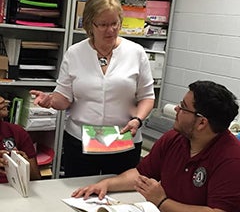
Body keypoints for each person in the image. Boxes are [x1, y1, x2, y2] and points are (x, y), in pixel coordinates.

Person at [30, 0, 155, 177]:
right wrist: (50, 101)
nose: (110, 30)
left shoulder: (135, 53)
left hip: (123, 139)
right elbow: (63, 99)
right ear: (89, 24)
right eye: (103, 25)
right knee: (79, 194)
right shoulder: (75, 53)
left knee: (119, 198)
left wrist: (138, 120)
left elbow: (147, 97)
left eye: (115, 23)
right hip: (81, 141)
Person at [71, 80, 240, 212]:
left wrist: (162, 202)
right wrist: (107, 184)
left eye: (183, 107)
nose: (176, 109)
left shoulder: (231, 160)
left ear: (202, 123)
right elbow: (141, 174)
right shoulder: (174, 138)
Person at [0, 96, 41, 183]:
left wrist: (24, 164)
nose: (2, 100)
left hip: (15, 188)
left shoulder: (17, 131)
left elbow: (35, 177)